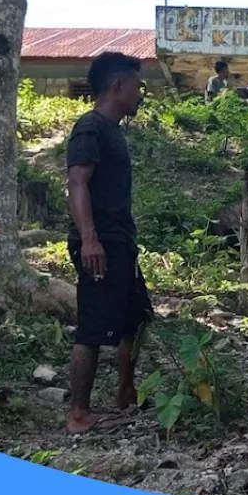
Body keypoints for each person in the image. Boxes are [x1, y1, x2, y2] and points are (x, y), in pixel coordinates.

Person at [63, 52, 153, 435]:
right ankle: (78, 414)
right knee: (92, 327)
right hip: (99, 242)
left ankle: (124, 394)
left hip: (121, 242)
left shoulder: (114, 129)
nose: (139, 93)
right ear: (118, 86)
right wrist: (89, 240)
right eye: (136, 86)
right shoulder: (91, 128)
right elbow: (77, 183)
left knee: (136, 316)